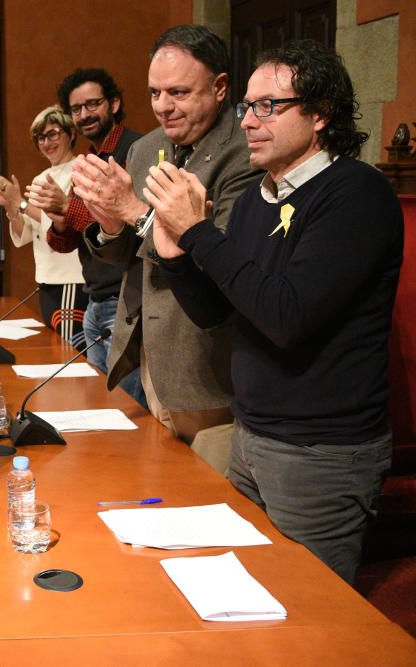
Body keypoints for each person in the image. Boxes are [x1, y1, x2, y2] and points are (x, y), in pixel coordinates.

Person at [150, 40, 401, 584]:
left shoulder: (355, 194)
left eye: (270, 105)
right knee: (251, 598)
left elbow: (287, 317)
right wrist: (175, 257)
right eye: (246, 106)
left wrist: (196, 232)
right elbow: (219, 311)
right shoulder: (257, 199)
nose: (248, 122)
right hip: (254, 433)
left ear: (320, 114)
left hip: (321, 451)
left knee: (311, 613)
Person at [73, 25, 261, 445]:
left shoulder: (246, 155)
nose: (163, 107)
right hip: (141, 350)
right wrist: (108, 223)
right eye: (155, 93)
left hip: (200, 361)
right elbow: (125, 256)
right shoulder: (145, 148)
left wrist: (135, 212)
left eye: (178, 92)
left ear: (219, 87)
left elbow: (222, 265)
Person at [31, 69, 144, 405]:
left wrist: (67, 207)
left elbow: (127, 227)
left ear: (114, 103)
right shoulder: (90, 160)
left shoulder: (133, 150)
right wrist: (60, 218)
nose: (84, 115)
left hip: (124, 299)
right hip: (94, 297)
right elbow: (64, 242)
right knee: (96, 403)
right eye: (76, 109)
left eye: (92, 105)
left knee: (125, 407)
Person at [0, 105, 88, 343]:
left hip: (71, 276)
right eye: (40, 138)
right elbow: (26, 234)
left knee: (70, 349)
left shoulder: (81, 169)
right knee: (57, 345)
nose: (46, 143)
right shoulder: (41, 178)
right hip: (47, 277)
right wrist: (10, 205)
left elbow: (66, 218)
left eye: (53, 134)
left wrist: (21, 203)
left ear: (71, 133)